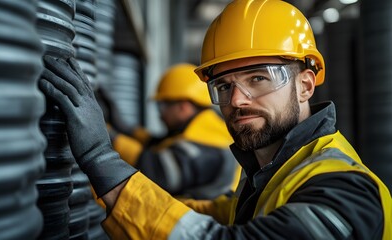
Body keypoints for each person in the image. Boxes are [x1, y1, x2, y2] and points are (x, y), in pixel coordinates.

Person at [39, 0, 392, 239]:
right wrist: (100, 195)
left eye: (258, 78)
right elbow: (202, 213)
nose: (237, 100)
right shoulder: (266, 178)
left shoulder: (346, 192)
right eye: (224, 85)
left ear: (305, 85)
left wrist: (103, 158)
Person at [96, 63, 240, 200]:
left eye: (163, 106)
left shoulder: (208, 148)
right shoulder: (204, 130)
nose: (161, 114)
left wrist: (104, 135)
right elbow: (160, 143)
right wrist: (122, 126)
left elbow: (157, 169)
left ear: (183, 107)